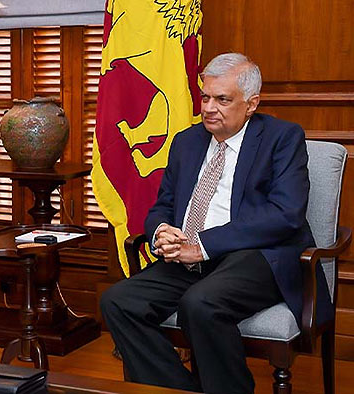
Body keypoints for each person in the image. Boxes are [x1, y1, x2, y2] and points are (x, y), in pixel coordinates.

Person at [100, 53, 333, 393]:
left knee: (201, 302)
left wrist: (204, 246)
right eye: (206, 97)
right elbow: (162, 204)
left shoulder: (282, 138)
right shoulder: (187, 141)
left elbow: (286, 214)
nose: (209, 107)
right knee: (118, 301)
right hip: (189, 258)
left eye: (222, 100)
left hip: (255, 256)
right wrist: (160, 230)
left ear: (251, 104)